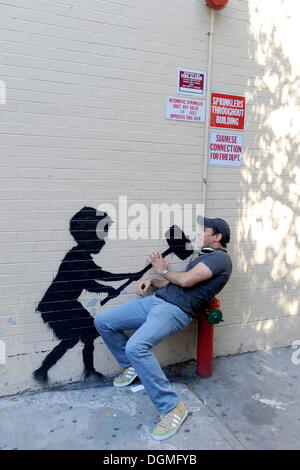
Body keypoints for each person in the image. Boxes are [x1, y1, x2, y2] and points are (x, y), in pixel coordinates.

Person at [94, 217, 232, 441]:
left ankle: (172, 407)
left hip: (175, 311)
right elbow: (178, 283)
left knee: (136, 347)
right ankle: (132, 367)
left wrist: (163, 270)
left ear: (217, 237)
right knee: (103, 322)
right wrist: (154, 281)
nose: (198, 233)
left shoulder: (220, 259)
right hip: (157, 301)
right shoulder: (205, 256)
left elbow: (186, 281)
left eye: (204, 230)